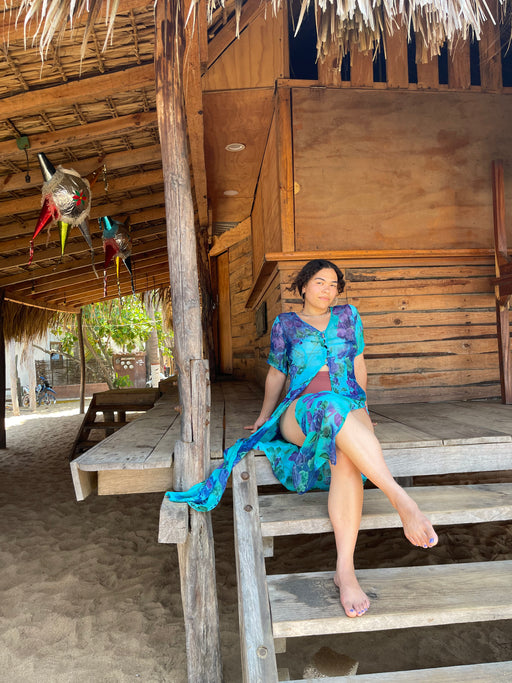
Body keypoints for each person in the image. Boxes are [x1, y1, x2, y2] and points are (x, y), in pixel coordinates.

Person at [167, 259, 438, 618]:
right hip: (301, 411)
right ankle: (402, 501)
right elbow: (276, 374)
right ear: (304, 285)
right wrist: (264, 416)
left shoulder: (349, 317)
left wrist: (363, 409)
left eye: (334, 285)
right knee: (328, 407)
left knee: (345, 455)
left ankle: (345, 570)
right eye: (321, 282)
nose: (328, 290)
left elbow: (358, 365)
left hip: (348, 405)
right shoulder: (286, 324)